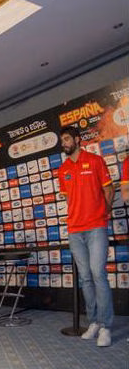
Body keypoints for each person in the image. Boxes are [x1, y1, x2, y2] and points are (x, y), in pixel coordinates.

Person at [57, 126, 114, 347]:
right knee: (85, 278)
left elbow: (109, 190)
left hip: (96, 227)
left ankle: (106, 325)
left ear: (77, 139)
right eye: (62, 140)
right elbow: (68, 199)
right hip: (74, 230)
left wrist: (104, 212)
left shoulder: (95, 161)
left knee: (98, 274)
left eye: (67, 139)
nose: (64, 143)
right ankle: (94, 322)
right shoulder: (63, 169)